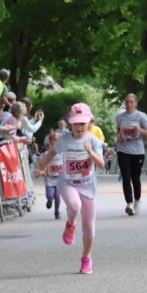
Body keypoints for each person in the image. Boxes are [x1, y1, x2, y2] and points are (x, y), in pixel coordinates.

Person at [38, 103, 105, 275]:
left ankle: (86, 258)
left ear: (89, 122)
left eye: (83, 123)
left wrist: (90, 153)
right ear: (70, 124)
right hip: (67, 183)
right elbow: (52, 153)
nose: (79, 127)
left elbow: (102, 165)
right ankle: (71, 223)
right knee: (74, 206)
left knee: (90, 228)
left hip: (88, 186)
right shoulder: (65, 140)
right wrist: (42, 167)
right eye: (76, 123)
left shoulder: (93, 141)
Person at [114, 93, 147, 216]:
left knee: (135, 177)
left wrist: (140, 130)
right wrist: (118, 137)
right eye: (127, 102)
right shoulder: (119, 117)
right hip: (123, 150)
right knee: (126, 176)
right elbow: (118, 131)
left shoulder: (141, 116)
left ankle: (137, 200)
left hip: (138, 151)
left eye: (131, 102)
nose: (129, 104)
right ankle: (129, 203)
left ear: (135, 103)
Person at [34, 130, 64, 220]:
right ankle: (49, 201)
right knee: (50, 196)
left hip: (59, 179)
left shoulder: (63, 154)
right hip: (50, 179)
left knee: (57, 197)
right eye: (55, 140)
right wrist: (40, 172)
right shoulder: (46, 154)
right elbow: (42, 167)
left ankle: (57, 213)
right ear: (51, 142)